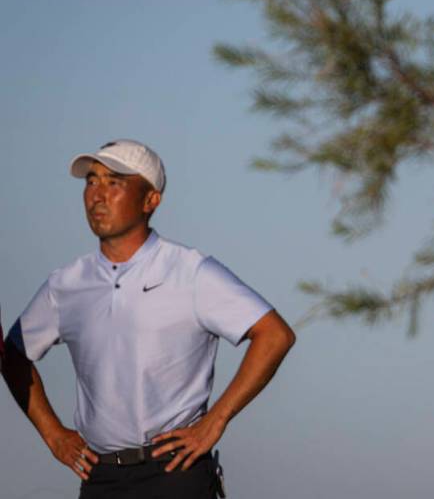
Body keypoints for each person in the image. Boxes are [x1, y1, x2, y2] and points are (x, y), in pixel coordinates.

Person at [2, 139, 296, 499]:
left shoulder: (191, 271)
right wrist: (53, 434)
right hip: (100, 478)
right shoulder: (66, 284)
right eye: (91, 181)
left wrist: (214, 422)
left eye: (114, 182)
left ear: (150, 200)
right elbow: (13, 353)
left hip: (175, 472)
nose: (97, 194)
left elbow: (274, 334)